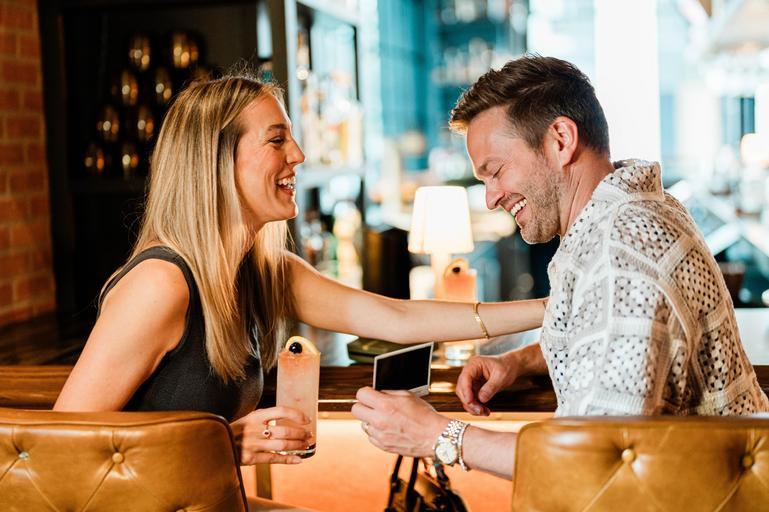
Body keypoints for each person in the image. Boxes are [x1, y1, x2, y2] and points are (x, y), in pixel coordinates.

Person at [53, 72, 547, 470]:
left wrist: (551, 308)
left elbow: (396, 319)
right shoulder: (161, 284)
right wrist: (225, 444)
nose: (299, 156)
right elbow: (61, 447)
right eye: (276, 140)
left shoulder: (263, 271)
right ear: (217, 163)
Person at [352, 55, 769, 478]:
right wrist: (527, 361)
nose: (491, 198)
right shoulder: (629, 214)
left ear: (561, 140)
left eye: (495, 172)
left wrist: (438, 435)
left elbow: (593, 464)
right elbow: (624, 342)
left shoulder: (621, 252)